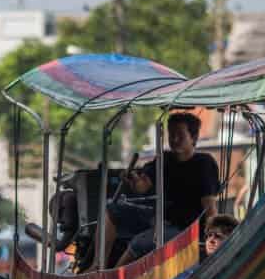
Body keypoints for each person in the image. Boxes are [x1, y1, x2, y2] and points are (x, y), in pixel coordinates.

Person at [92, 112, 220, 269]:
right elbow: (142, 186)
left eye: (180, 135)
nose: (174, 139)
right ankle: (98, 266)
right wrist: (132, 178)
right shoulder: (164, 160)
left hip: (187, 229)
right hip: (160, 218)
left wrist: (214, 238)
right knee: (112, 210)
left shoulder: (204, 164)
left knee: (139, 242)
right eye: (171, 134)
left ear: (193, 138)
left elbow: (210, 208)